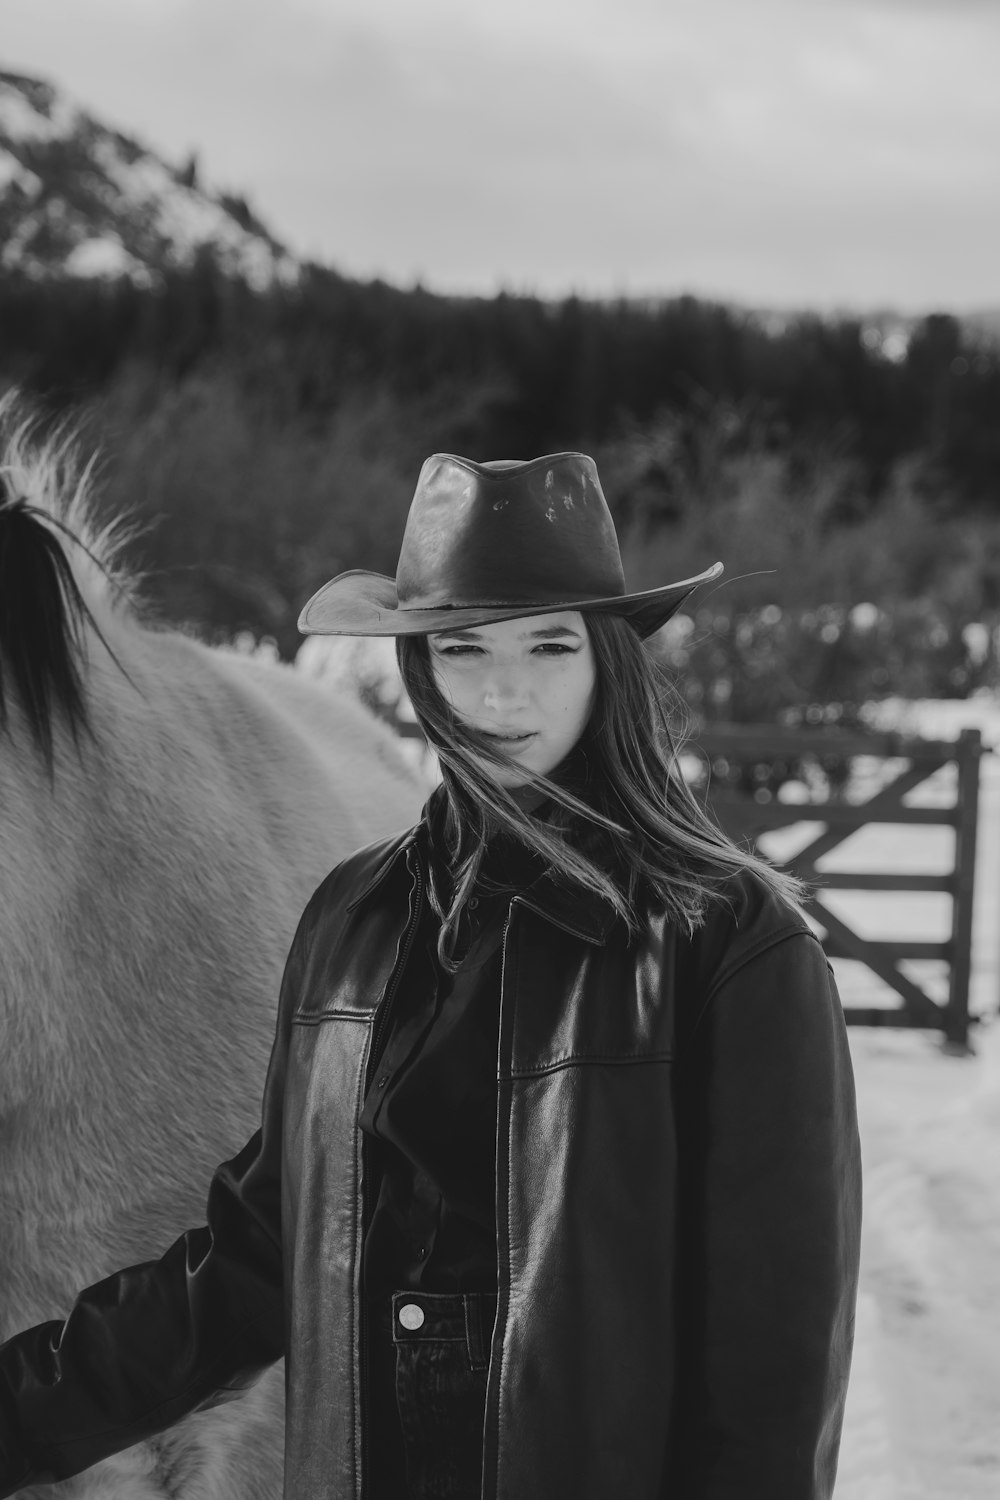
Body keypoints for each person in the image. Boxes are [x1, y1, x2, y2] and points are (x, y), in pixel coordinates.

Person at [0, 452, 862, 1500]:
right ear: (422, 668)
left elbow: (771, 1370)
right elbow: (255, 1262)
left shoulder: (731, 946)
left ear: (610, 662)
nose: (503, 691)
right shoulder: (353, 921)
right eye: (463, 647)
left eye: (550, 644)